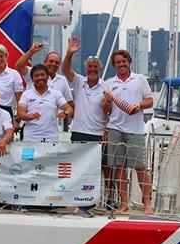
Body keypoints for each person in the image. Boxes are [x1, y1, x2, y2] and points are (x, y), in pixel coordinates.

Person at [61, 36, 110, 215]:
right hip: (79, 132)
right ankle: (79, 200)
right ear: (86, 68)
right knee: (78, 168)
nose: (92, 70)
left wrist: (107, 108)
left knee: (98, 170)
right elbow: (65, 69)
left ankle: (95, 201)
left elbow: (108, 112)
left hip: (97, 135)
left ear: (100, 69)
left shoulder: (106, 87)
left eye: (95, 67)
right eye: (89, 66)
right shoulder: (79, 81)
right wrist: (70, 53)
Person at [103, 49, 154, 214]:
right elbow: (105, 109)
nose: (121, 65)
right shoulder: (109, 83)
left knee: (140, 168)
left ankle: (147, 204)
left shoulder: (140, 79)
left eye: (124, 61)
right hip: (115, 129)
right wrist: (107, 101)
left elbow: (150, 101)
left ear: (129, 62)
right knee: (119, 168)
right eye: (118, 62)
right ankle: (124, 203)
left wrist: (138, 105)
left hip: (135, 130)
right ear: (114, 65)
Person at [16, 64, 73, 142]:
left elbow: (69, 109)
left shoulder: (56, 94)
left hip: (51, 138)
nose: (40, 78)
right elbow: (20, 114)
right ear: (32, 79)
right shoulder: (26, 94)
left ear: (47, 77)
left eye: (42, 75)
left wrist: (65, 114)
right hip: (30, 138)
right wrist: (29, 116)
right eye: (36, 75)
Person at [15, 42, 74, 111]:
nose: (53, 64)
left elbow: (69, 102)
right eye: (51, 61)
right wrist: (31, 51)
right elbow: (19, 66)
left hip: (52, 120)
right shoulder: (35, 73)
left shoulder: (62, 80)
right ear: (45, 62)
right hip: (30, 119)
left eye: (56, 62)